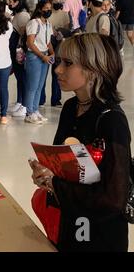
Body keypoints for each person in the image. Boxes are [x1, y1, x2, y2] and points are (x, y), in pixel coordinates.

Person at [30, 33, 131, 252]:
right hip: (70, 224)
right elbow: (65, 164)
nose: (58, 70)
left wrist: (55, 184)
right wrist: (46, 173)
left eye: (68, 64)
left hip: (101, 238)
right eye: (59, 62)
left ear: (94, 70)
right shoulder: (70, 108)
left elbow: (114, 198)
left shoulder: (112, 121)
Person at [24, 0, 54, 124]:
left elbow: (48, 41)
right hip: (35, 57)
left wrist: (52, 52)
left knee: (40, 86)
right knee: (32, 86)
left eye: (50, 8)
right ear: (40, 9)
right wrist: (42, 56)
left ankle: (35, 110)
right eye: (46, 8)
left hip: (45, 56)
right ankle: (29, 113)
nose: (48, 10)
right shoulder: (34, 23)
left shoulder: (48, 23)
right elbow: (30, 43)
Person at [42, 0, 70, 108]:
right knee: (43, 72)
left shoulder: (65, 15)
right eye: (55, 1)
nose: (58, 3)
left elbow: (67, 29)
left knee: (57, 72)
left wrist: (61, 32)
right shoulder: (47, 13)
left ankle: (56, 99)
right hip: (47, 42)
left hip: (59, 43)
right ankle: (40, 99)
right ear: (51, 1)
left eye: (60, 1)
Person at [8, 0, 31, 117]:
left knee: (22, 77)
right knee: (18, 76)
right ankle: (20, 101)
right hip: (15, 48)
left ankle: (25, 105)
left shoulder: (23, 15)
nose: (9, 3)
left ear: (18, 1)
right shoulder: (17, 14)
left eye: (12, 1)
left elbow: (25, 34)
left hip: (19, 50)